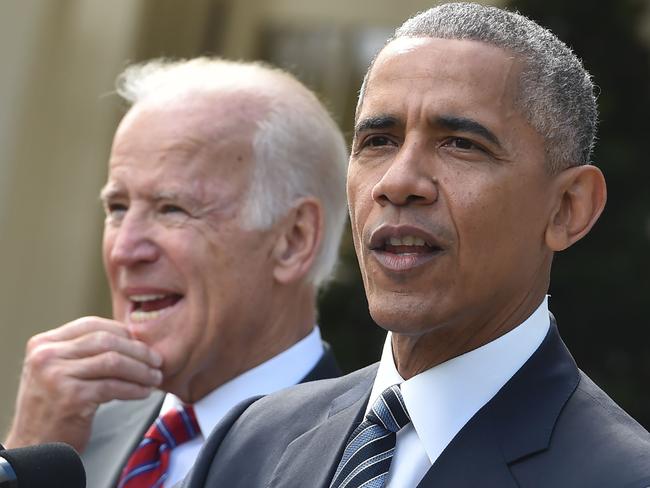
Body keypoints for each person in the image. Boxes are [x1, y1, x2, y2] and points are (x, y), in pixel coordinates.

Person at [179, 4, 650, 488]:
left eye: (461, 144)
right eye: (379, 140)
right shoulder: (249, 443)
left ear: (568, 208)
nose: (398, 181)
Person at [4, 58, 349, 488]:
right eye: (117, 208)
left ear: (293, 240)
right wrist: (26, 457)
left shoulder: (364, 460)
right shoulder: (71, 435)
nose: (126, 249)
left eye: (172, 209)